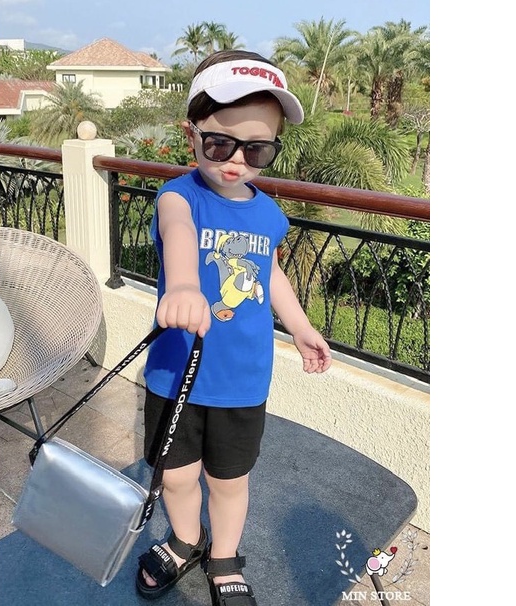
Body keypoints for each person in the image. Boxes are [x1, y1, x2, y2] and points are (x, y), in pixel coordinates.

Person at [135, 49, 332, 606]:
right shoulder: (179, 196)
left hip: (242, 379)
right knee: (176, 475)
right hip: (176, 375)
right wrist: (182, 285)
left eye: (257, 149)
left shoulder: (268, 213)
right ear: (192, 135)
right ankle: (185, 540)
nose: (236, 161)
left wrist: (300, 326)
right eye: (219, 143)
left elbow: (270, 273)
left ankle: (224, 555)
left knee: (229, 480)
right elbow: (178, 233)